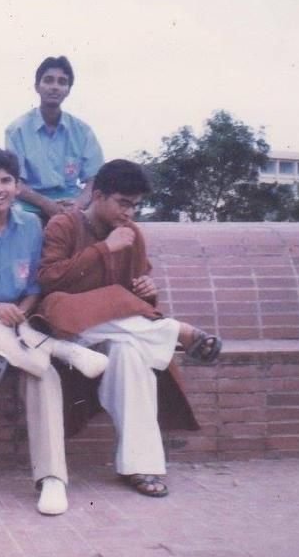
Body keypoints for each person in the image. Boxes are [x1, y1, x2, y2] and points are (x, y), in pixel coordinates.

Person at [36, 159, 222, 497]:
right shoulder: (63, 224)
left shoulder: (132, 235)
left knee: (131, 357)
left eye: (135, 205)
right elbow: (50, 279)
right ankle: (175, 332)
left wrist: (147, 291)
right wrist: (104, 249)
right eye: (123, 203)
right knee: (62, 304)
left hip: (114, 333)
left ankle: (140, 466)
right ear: (98, 195)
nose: (129, 213)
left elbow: (133, 298)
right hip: (69, 330)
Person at [0, 149, 109, 515]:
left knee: (44, 375)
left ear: (17, 186)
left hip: (19, 326)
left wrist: (21, 311)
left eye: (6, 181)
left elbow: (36, 286)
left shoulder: (31, 226)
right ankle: (58, 348)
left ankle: (52, 479)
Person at [5, 55, 104, 220]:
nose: (55, 87)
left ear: (68, 90)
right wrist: (46, 204)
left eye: (62, 82)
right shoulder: (17, 130)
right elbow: (14, 182)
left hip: (71, 205)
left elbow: (95, 179)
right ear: (37, 86)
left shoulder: (82, 131)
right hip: (30, 206)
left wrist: (78, 204)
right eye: (48, 80)